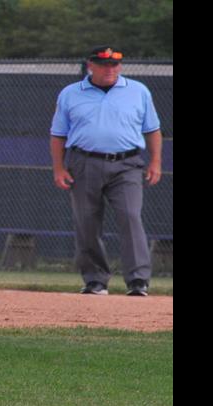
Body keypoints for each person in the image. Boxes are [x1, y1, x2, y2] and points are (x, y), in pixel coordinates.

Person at [49, 45, 164, 297]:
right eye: (104, 64)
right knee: (87, 222)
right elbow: (58, 134)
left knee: (130, 216)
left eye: (114, 64)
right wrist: (58, 168)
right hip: (84, 161)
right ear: (91, 65)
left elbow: (153, 130)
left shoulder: (137, 91)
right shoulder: (71, 93)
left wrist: (155, 162)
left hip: (127, 164)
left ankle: (137, 280)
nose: (110, 69)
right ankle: (95, 280)